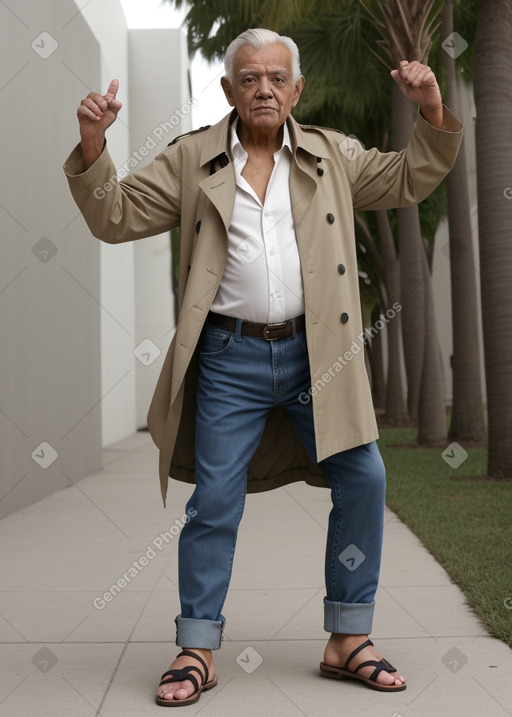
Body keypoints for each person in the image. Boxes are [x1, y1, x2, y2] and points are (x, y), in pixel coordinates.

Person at [64, 28, 463, 707]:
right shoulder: (193, 158)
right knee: (214, 501)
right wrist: (95, 144)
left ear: (297, 89)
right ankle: (197, 646)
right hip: (228, 358)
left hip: (320, 358)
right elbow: (116, 213)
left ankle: (347, 637)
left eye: (278, 77)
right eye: (249, 78)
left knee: (365, 477)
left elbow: (406, 178)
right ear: (228, 91)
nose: (265, 88)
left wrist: (430, 110)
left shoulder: (331, 155)